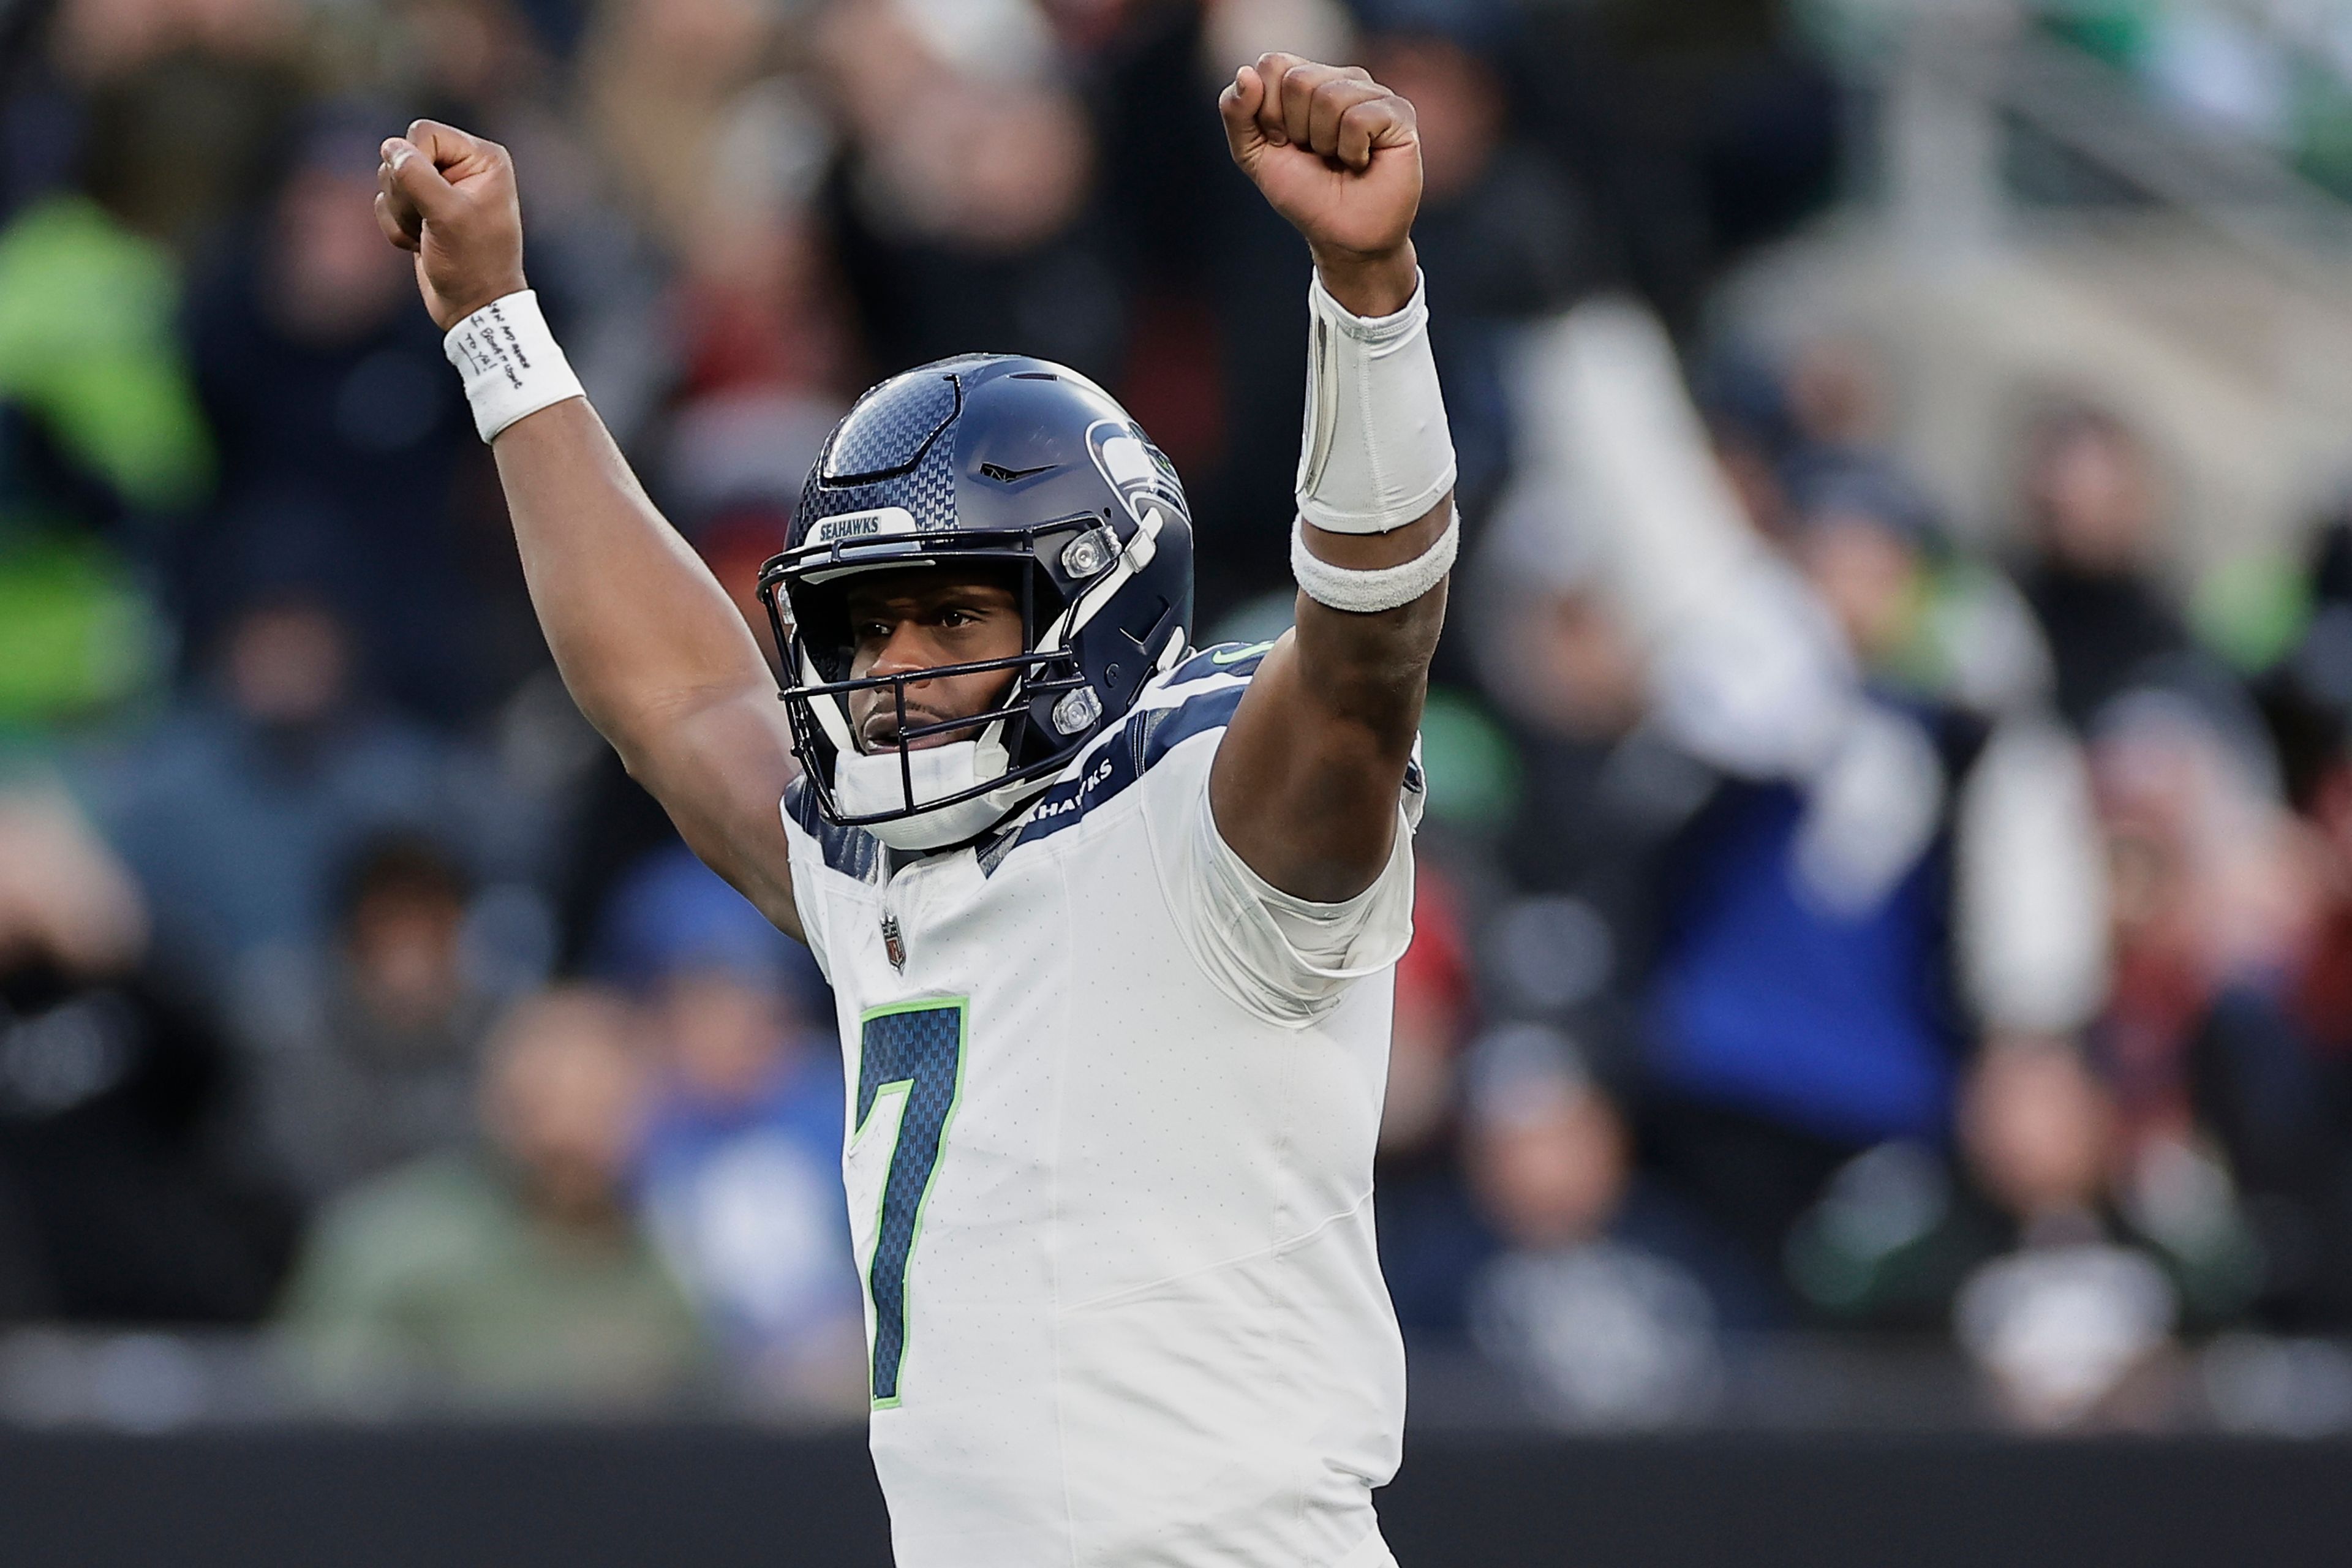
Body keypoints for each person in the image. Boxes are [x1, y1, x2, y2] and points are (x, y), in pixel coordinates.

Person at [374, 48, 1453, 1567]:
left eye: (951, 616)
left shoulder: (1210, 824)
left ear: (1106, 599)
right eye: (864, 625)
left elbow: (1365, 650)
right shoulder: (871, 852)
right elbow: (674, 698)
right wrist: (496, 329)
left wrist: (1368, 292)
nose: (890, 672)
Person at [280, 983, 704, 1411]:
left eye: (606, 1106)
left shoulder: (663, 1268)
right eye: (551, 1100)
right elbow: (316, 1408)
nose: (575, 1134)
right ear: (502, 1105)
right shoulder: (391, 1246)